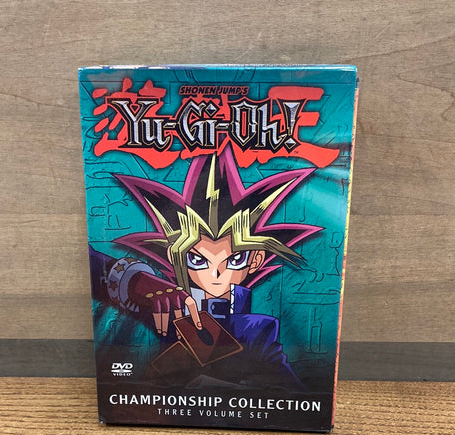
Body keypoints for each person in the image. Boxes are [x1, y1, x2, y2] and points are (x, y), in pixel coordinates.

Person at [89, 145, 321, 391]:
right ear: (177, 257)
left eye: (234, 260)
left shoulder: (258, 330)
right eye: (198, 260)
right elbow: (93, 264)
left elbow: (295, 395)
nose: (215, 273)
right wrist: (136, 282)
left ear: (255, 260)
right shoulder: (165, 307)